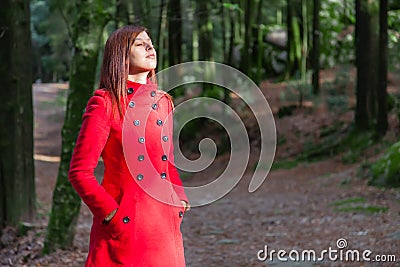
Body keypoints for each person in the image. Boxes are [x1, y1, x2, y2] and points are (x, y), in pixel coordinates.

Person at [68, 25, 189, 267]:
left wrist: (180, 200)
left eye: (150, 42)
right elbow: (79, 172)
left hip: (165, 229)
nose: (149, 46)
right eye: (139, 43)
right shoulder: (105, 103)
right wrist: (112, 216)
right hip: (125, 230)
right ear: (121, 55)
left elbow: (167, 160)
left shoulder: (163, 102)